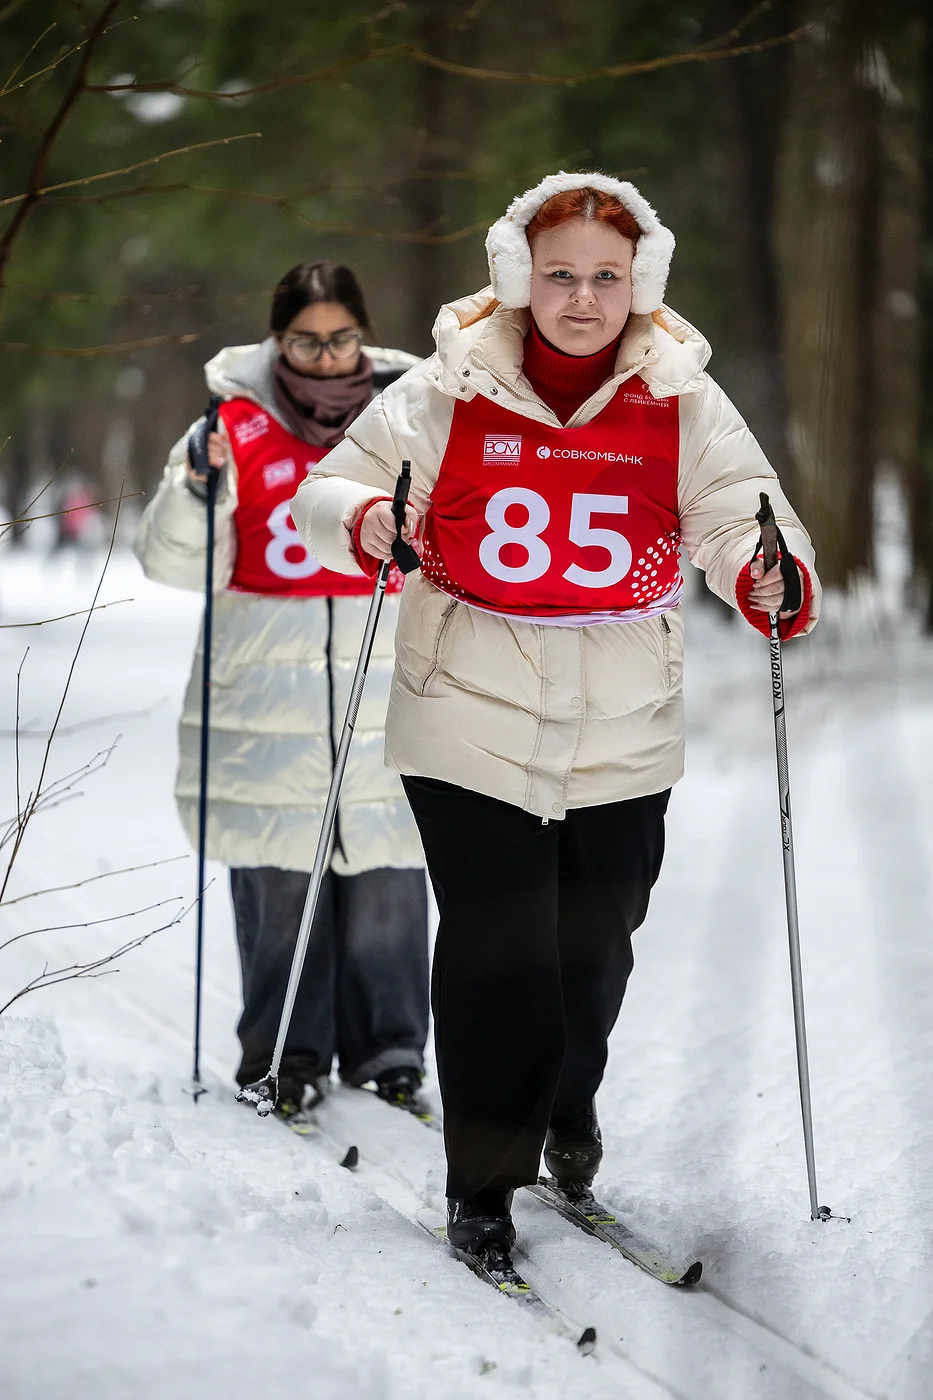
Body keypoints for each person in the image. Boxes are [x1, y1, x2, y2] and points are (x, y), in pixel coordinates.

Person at [291, 174, 820, 1260]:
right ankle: (482, 1181)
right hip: (464, 706)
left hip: (625, 717)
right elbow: (331, 487)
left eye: (607, 276)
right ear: (517, 274)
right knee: (498, 949)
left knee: (593, 953)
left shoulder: (681, 394)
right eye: (561, 272)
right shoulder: (448, 384)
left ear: (642, 282)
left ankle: (566, 1108)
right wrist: (372, 517)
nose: (583, 297)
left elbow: (736, 510)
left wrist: (765, 569)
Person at [134, 261, 429, 1123]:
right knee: (278, 881)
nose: (328, 356)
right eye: (307, 339)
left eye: (342, 337)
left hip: (386, 682)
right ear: (277, 340)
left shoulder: (412, 417)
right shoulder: (229, 425)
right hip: (266, 697)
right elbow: (171, 563)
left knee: (387, 872)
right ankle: (283, 1051)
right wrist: (195, 487)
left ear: (364, 335)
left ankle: (391, 1049)